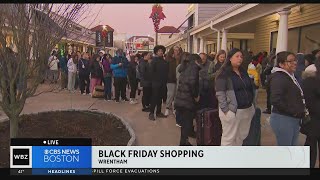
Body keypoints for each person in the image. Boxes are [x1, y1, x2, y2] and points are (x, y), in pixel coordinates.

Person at [215, 48, 255, 146]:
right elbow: (220, 93)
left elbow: (249, 88)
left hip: (246, 110)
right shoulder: (224, 73)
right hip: (232, 110)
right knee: (229, 139)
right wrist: (226, 111)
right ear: (230, 58)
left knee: (240, 137)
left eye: (241, 57)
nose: (240, 59)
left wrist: (252, 107)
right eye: (237, 56)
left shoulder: (243, 71)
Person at [269, 51, 305, 146]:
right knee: (286, 150)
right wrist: (294, 111)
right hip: (283, 119)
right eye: (290, 61)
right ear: (281, 64)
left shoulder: (290, 76)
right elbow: (276, 100)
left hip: (292, 118)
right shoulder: (279, 77)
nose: (295, 63)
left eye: (295, 60)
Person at [174, 54, 201, 145]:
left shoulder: (184, 68)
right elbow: (193, 83)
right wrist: (196, 95)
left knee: (184, 123)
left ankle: (184, 141)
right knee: (187, 123)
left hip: (180, 99)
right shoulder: (194, 69)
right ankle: (183, 144)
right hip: (188, 100)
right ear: (195, 61)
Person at [301, 58, 320, 168]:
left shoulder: (309, 81)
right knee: (311, 148)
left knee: (310, 147)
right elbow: (308, 102)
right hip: (313, 120)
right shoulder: (310, 81)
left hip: (312, 121)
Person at [149, 45, 169, 121]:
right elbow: (151, 72)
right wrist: (154, 81)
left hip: (163, 83)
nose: (161, 52)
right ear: (156, 52)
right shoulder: (154, 61)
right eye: (159, 51)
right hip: (155, 83)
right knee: (154, 98)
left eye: (162, 51)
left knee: (160, 98)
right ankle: (151, 113)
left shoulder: (165, 61)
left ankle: (158, 112)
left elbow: (166, 72)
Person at [165, 46, 182, 116]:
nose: (176, 51)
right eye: (175, 50)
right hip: (170, 80)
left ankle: (174, 108)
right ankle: (167, 108)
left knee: (176, 95)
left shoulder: (180, 59)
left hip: (179, 79)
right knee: (170, 94)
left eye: (178, 50)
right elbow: (166, 69)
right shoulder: (169, 59)